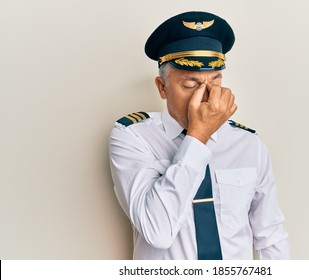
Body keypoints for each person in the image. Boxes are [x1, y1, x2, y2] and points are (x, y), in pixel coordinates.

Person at [109, 11, 290, 260]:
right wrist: (198, 136)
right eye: (190, 85)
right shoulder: (132, 137)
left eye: (215, 81)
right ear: (162, 88)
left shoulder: (249, 144)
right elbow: (157, 231)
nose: (204, 96)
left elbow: (270, 235)